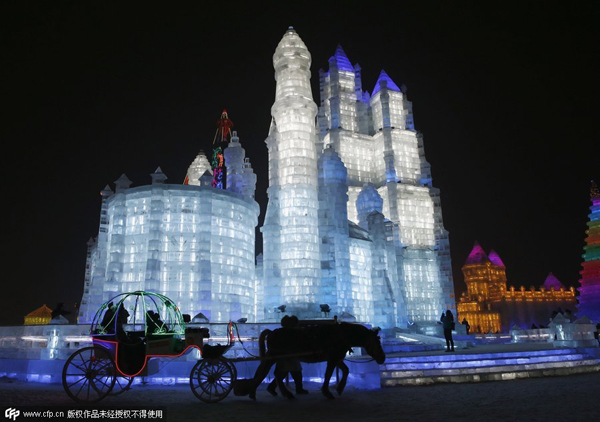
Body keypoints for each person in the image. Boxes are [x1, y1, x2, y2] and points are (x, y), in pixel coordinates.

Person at [266, 315, 308, 396]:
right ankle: (298, 389)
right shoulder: (290, 332)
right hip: (287, 355)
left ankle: (272, 387)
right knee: (294, 371)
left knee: (290, 371)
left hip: (286, 355)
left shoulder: (282, 332)